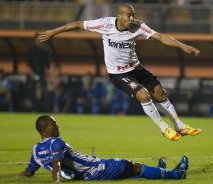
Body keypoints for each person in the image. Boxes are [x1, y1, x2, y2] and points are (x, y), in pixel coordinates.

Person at [38, 3, 201, 141]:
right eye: (129, 15)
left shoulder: (138, 26)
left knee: (159, 92)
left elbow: (161, 37)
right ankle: (164, 128)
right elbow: (77, 24)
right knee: (143, 95)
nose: (132, 18)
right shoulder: (105, 24)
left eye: (133, 15)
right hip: (118, 74)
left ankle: (179, 126)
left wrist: (182, 46)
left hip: (136, 68)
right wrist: (53, 32)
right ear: (119, 16)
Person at [20, 115, 189, 183]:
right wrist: (55, 182)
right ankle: (178, 174)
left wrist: (18, 176)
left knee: (130, 173)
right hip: (94, 169)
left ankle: (161, 171)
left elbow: (29, 171)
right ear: (43, 130)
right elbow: (56, 163)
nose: (57, 126)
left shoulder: (36, 151)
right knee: (132, 166)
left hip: (84, 174)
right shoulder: (56, 142)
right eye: (52, 124)